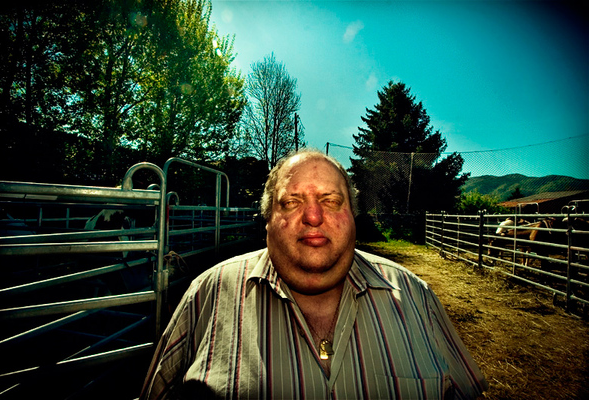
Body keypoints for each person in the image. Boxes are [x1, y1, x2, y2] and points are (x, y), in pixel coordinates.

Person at [140, 149, 488, 399]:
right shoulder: (208, 294)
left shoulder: (416, 295)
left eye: (331, 201)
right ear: (267, 220)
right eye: (291, 202)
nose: (313, 216)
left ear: (353, 217)